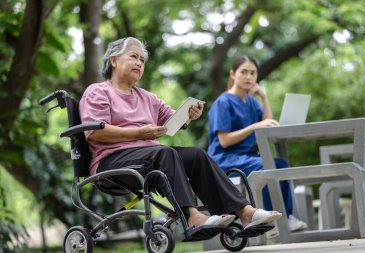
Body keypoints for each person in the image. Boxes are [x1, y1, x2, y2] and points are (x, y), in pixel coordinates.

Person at [79, 37, 282, 232]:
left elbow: (172, 120)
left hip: (149, 157)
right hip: (112, 161)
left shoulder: (147, 97)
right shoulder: (98, 91)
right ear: (114, 60)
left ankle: (244, 212)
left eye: (142, 60)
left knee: (196, 155)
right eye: (133, 57)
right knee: (165, 153)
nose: (139, 63)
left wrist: (188, 115)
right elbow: (95, 132)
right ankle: (192, 217)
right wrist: (139, 133)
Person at [207, 55, 307, 232]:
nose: (248, 77)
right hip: (224, 159)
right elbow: (224, 140)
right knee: (267, 165)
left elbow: (267, 123)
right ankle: (269, 219)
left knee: (281, 164)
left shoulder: (251, 102)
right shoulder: (223, 102)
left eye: (253, 73)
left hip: (246, 158)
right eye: (243, 72)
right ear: (233, 74)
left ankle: (286, 216)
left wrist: (264, 97)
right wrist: (253, 126)